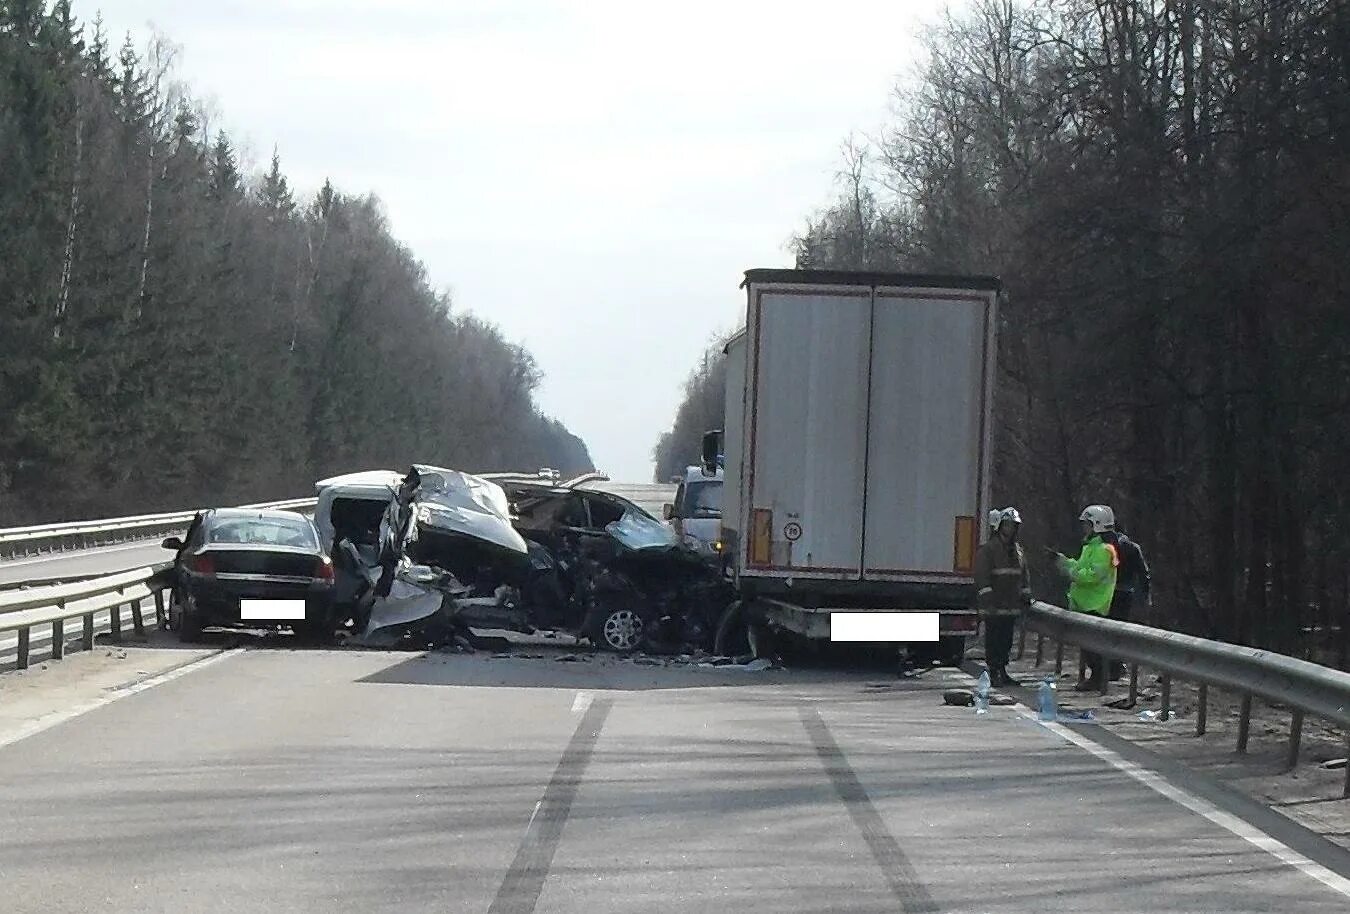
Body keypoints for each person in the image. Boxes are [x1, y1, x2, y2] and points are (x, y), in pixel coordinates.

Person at [1051, 504, 1119, 691]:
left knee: (1093, 649)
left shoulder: (1105, 549)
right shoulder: (1091, 547)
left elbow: (1091, 575)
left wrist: (1070, 571)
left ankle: (1098, 678)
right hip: (1085, 605)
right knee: (1087, 648)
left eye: (1087, 524)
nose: (1084, 528)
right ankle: (1095, 678)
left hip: (1095, 605)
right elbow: (1082, 566)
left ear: (1096, 524)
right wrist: (1063, 561)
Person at [974, 506, 1031, 686]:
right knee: (994, 639)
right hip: (994, 604)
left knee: (1006, 640)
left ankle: (1003, 670)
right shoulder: (989, 549)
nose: (1010, 529)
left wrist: (1026, 594)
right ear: (1000, 526)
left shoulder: (1018, 551)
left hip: (1011, 604)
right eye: (1007, 525)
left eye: (1013, 526)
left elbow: (1024, 575)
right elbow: (982, 575)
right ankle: (994, 670)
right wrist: (987, 597)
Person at [1102, 523, 1151, 680]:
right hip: (1127, 592)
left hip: (1109, 592)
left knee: (1107, 629)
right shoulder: (1133, 547)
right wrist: (1146, 595)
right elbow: (1143, 573)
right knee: (1120, 628)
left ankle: (1113, 665)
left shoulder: (1107, 547)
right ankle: (1117, 664)